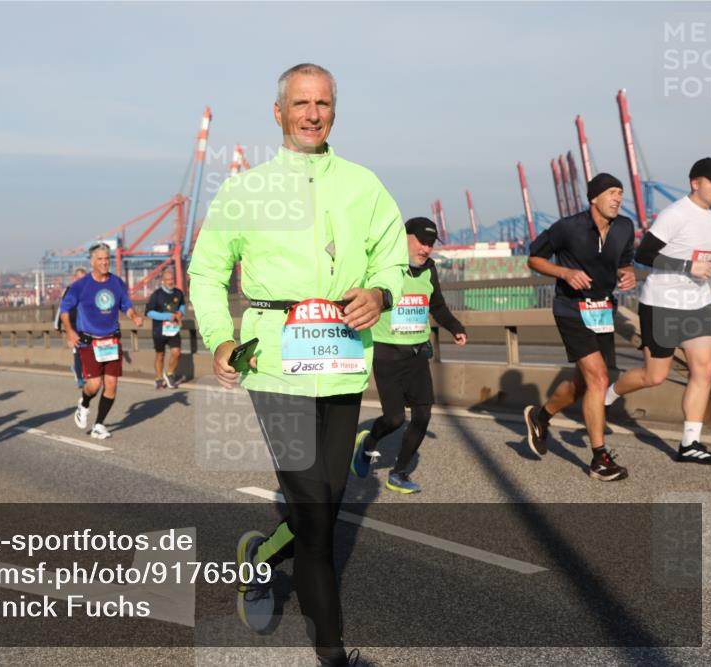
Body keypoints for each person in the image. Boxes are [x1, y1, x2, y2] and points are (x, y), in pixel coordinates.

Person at [189, 63, 406, 667]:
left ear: (334, 110)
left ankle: (259, 559)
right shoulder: (246, 189)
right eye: (302, 103)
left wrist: (382, 294)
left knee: (325, 509)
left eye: (324, 103)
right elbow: (206, 271)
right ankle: (333, 655)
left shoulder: (364, 185)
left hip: (342, 361)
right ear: (278, 112)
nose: (313, 113)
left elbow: (393, 260)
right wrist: (219, 337)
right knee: (315, 517)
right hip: (276, 364)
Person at [605, 157, 711, 464]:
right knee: (655, 376)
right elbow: (644, 253)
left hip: (697, 304)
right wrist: (688, 266)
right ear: (695, 183)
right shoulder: (676, 214)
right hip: (663, 304)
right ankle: (609, 392)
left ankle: (690, 443)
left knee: (704, 368)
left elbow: (708, 255)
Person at [523, 174, 636, 481]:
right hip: (571, 309)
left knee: (585, 383)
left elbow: (625, 262)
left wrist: (628, 275)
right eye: (612, 193)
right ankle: (599, 459)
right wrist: (564, 272)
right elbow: (534, 257)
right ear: (594, 198)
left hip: (602, 311)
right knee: (599, 378)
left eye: (620, 194)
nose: (617, 199)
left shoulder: (625, 227)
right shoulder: (568, 227)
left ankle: (540, 417)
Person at [352, 217, 467, 493]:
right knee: (394, 419)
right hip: (385, 351)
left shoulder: (429, 270)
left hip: (417, 352)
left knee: (423, 415)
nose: (426, 249)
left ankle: (399, 473)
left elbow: (436, 305)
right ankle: (368, 443)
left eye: (430, 244)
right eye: (422, 242)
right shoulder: (382, 266)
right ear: (405, 237)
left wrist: (455, 327)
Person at [60, 245, 143, 440]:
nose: (105, 262)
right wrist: (70, 331)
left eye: (107, 259)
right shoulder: (80, 286)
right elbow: (64, 310)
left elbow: (126, 305)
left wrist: (134, 316)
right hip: (90, 342)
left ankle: (99, 424)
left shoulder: (117, 283)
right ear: (92, 262)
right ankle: (84, 404)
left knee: (112, 384)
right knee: (94, 385)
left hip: (112, 341)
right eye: (100, 259)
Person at [146, 269, 186, 389]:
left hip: (173, 329)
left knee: (176, 352)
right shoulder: (156, 295)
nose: (170, 282)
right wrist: (167, 316)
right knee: (160, 355)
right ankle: (158, 377)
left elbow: (182, 306)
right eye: (167, 280)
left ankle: (169, 374)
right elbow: (149, 313)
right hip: (159, 330)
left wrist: (181, 313)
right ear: (163, 281)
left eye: (172, 279)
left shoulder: (179, 293)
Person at [57, 268, 88, 388]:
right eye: (79, 278)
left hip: (87, 325)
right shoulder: (69, 291)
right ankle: (80, 378)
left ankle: (82, 371)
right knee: (77, 352)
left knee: (88, 351)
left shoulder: (90, 290)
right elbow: (62, 310)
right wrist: (59, 326)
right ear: (74, 279)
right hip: (73, 327)